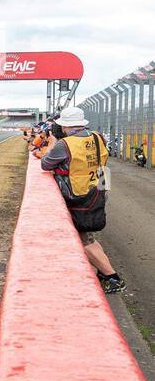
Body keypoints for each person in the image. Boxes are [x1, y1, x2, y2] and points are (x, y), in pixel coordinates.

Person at [40, 106, 123, 293]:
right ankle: (104, 274)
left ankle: (112, 277)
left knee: (84, 239)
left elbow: (45, 164)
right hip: (98, 189)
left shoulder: (64, 144)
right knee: (89, 235)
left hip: (78, 196)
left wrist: (52, 143)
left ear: (65, 127)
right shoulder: (97, 137)